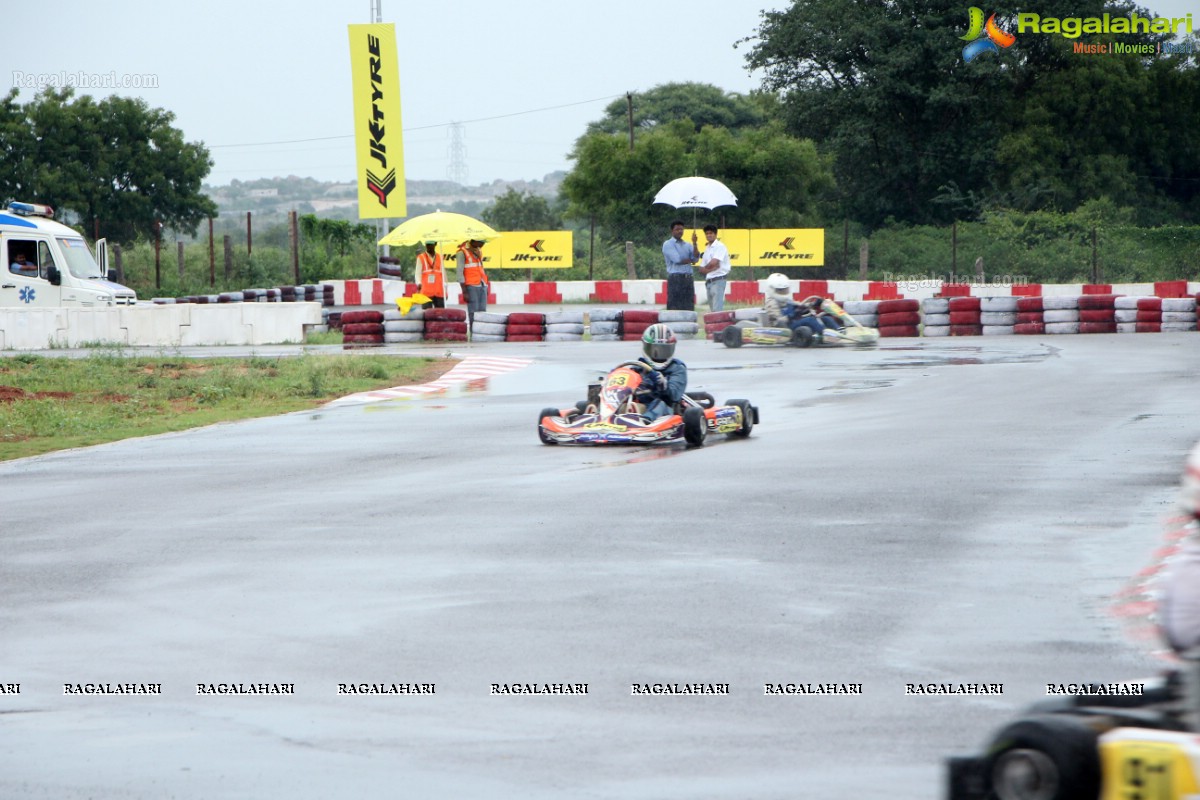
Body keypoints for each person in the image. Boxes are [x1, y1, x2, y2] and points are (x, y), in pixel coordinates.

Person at [635, 323, 688, 421]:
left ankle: (646, 422)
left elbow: (675, 396)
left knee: (660, 403)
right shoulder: (638, 367)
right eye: (653, 350)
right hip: (638, 407)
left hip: (665, 410)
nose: (658, 354)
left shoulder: (677, 369)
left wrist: (664, 385)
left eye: (663, 350)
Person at [661, 221, 698, 311]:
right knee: (674, 304)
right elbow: (677, 260)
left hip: (688, 278)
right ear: (672, 231)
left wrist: (694, 243)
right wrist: (691, 260)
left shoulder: (688, 245)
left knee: (688, 305)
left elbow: (696, 258)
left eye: (681, 229)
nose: (680, 231)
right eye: (677, 229)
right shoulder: (668, 244)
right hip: (676, 278)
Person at [697, 224, 731, 312]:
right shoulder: (707, 248)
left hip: (718, 280)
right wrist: (711, 269)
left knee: (717, 310)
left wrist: (707, 268)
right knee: (712, 310)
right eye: (707, 233)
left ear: (715, 235)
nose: (709, 235)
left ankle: (719, 326)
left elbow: (714, 262)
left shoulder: (720, 246)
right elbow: (701, 269)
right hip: (709, 281)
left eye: (711, 233)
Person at [456, 239, 489, 325]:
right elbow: (459, 272)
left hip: (482, 284)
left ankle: (480, 332)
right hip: (471, 286)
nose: (482, 245)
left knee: (483, 311)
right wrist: (464, 291)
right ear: (474, 241)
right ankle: (473, 332)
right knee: (473, 312)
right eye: (481, 242)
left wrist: (485, 284)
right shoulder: (461, 252)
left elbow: (480, 268)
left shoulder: (478, 251)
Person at [414, 240, 446, 309]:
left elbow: (444, 274)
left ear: (435, 245)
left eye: (430, 244)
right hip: (426, 291)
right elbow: (417, 273)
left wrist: (445, 290)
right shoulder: (421, 257)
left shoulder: (440, 257)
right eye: (427, 244)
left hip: (439, 291)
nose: (428, 246)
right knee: (426, 313)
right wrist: (418, 283)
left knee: (440, 313)